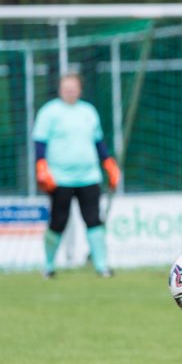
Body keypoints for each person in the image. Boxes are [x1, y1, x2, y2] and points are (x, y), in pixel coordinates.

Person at [31, 73, 121, 278]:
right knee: (58, 221)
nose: (70, 91)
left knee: (93, 219)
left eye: (73, 87)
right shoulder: (49, 112)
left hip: (89, 177)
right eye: (66, 87)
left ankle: (102, 266)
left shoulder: (88, 112)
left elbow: (98, 142)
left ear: (80, 89)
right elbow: (39, 143)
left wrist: (109, 164)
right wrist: (41, 166)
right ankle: (48, 266)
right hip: (60, 178)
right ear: (60, 89)